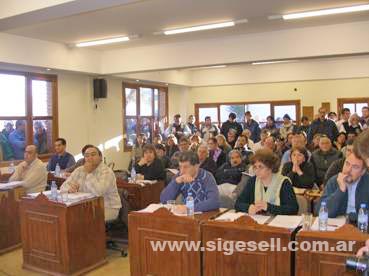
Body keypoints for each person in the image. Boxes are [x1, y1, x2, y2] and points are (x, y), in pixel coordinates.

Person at [60, 146, 122, 221]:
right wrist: (69, 189)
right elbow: (63, 187)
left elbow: (99, 192)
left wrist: (89, 173)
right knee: (67, 217)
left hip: (107, 208)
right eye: (87, 156)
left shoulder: (106, 171)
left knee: (83, 221)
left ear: (100, 157)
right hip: (85, 207)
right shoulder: (79, 170)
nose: (90, 158)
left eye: (93, 154)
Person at [235, 149, 298, 215]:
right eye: (255, 167)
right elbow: (238, 204)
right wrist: (248, 207)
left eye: (260, 167)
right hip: (257, 222)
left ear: (270, 167)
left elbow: (293, 209)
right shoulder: (252, 181)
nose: (257, 170)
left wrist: (268, 207)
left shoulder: (284, 182)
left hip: (278, 223)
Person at [316, 151, 369, 218]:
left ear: (363, 172)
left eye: (355, 167)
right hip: (337, 226)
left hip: (362, 226)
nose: (348, 170)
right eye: (347, 164)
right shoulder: (334, 181)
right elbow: (320, 211)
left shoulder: (367, 182)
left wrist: (349, 217)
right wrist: (340, 190)